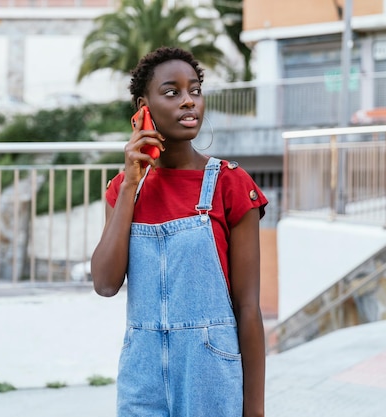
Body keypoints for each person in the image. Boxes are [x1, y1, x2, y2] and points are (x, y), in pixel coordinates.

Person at [91, 46, 268, 417]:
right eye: (172, 92)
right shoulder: (123, 190)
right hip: (141, 377)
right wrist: (129, 186)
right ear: (144, 106)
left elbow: (248, 309)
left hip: (210, 375)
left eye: (195, 91)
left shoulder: (230, 185)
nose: (188, 102)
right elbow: (105, 284)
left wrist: (255, 410)